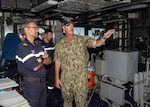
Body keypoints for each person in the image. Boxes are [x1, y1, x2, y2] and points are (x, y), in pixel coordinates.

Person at [54, 17, 115, 107]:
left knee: (82, 103)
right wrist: (56, 78)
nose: (71, 27)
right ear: (63, 28)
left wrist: (103, 38)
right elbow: (57, 61)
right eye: (68, 25)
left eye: (72, 24)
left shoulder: (82, 39)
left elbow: (95, 43)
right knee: (67, 102)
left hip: (80, 78)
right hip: (66, 78)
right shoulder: (59, 44)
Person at [16, 21, 52, 107]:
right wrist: (43, 60)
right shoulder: (23, 47)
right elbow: (35, 67)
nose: (37, 30)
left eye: (37, 28)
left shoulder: (38, 46)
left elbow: (50, 60)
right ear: (26, 30)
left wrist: (41, 60)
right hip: (31, 86)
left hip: (43, 83)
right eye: (35, 28)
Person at [41, 28, 56, 103]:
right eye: (49, 35)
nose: (51, 37)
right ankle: (43, 97)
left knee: (51, 83)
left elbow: (54, 54)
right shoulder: (40, 45)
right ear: (45, 35)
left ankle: (51, 97)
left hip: (51, 67)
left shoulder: (52, 45)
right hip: (43, 67)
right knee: (42, 83)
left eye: (51, 35)